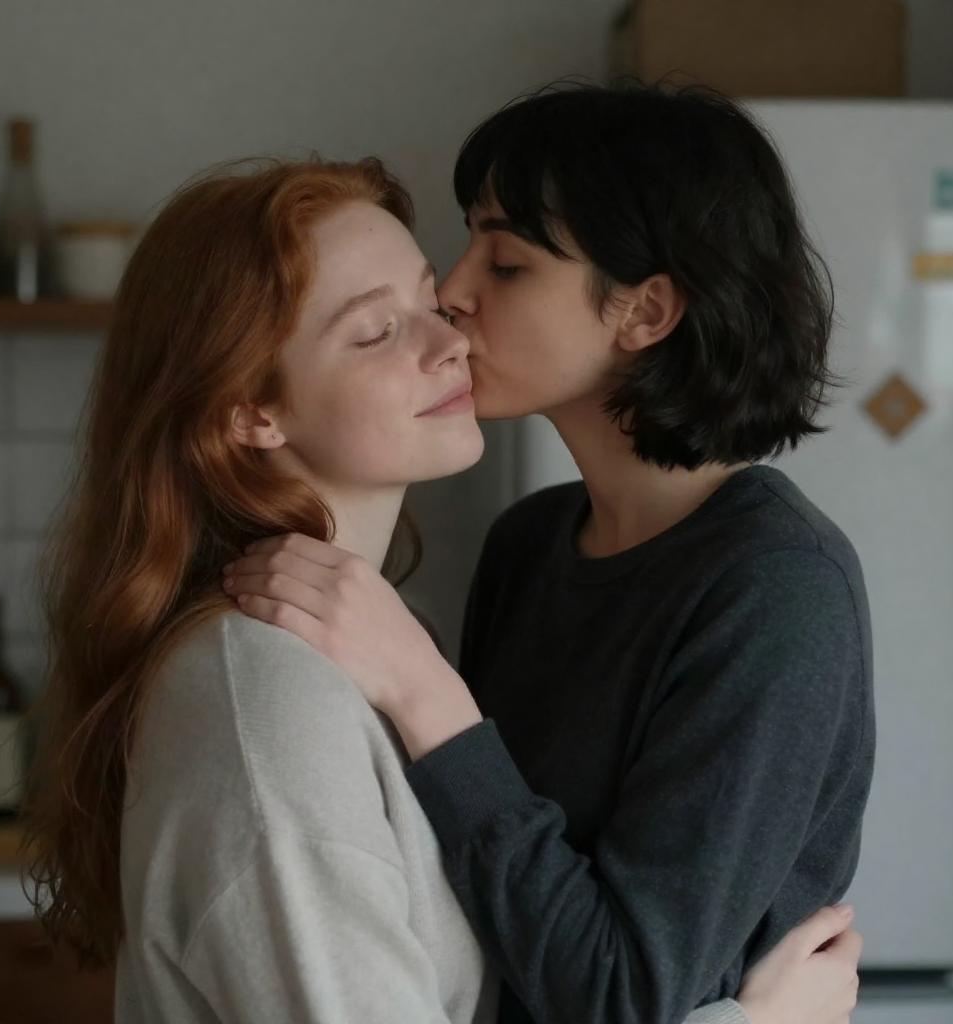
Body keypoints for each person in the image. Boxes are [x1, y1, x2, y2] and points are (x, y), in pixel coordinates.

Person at [20, 156, 859, 1024]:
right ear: (251, 411)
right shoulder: (266, 695)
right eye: (376, 331)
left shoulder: (372, 644)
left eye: (428, 301)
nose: (451, 337)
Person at [222, 82, 875, 1024]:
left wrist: (425, 691)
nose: (453, 292)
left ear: (646, 311)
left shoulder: (776, 588)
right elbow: (471, 909)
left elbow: (617, 993)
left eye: (508, 263)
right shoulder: (529, 543)